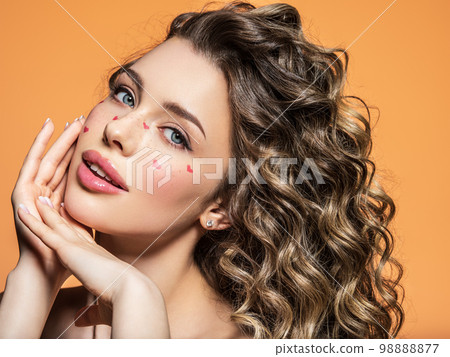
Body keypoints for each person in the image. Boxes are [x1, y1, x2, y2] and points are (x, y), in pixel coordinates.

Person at [0, 1, 404, 338]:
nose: (116, 129)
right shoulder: (27, 315)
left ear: (223, 205)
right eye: (125, 94)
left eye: (175, 135)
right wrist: (33, 279)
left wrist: (136, 300)